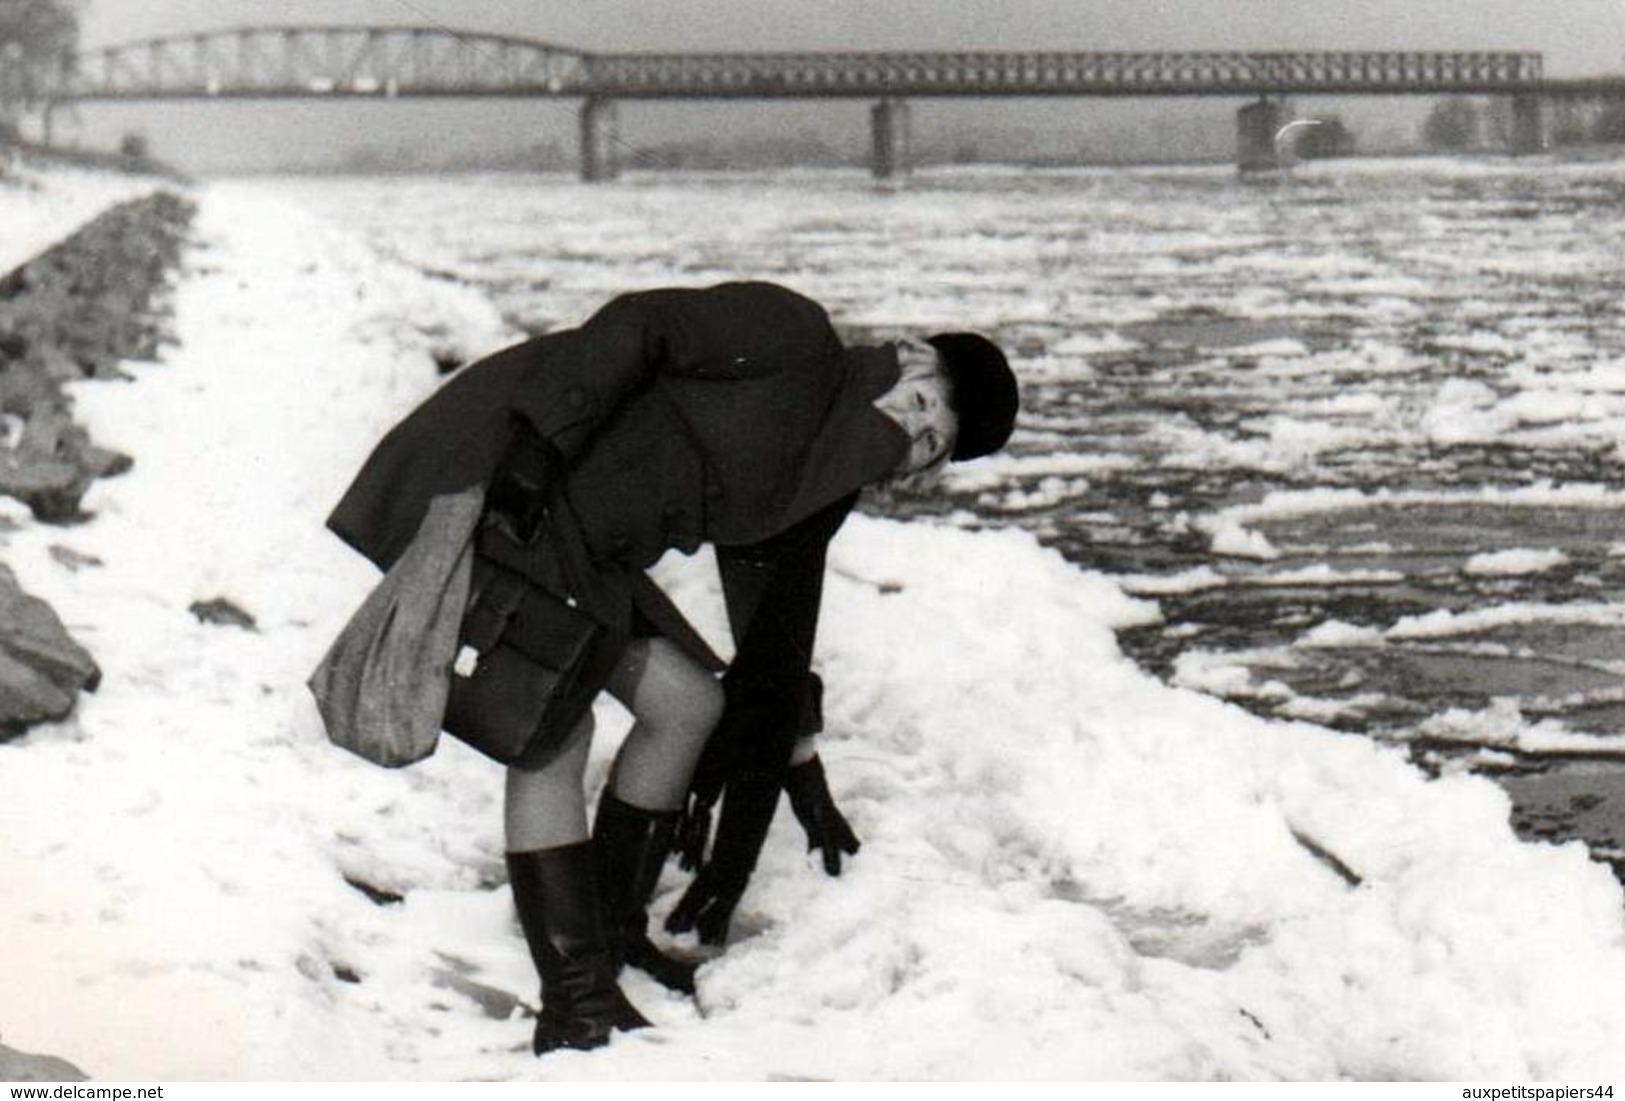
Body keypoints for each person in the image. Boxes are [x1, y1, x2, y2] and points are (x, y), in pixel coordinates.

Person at [324, 281, 1018, 1056]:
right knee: (554, 725)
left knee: (686, 702)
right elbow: (638, 324)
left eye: (927, 444)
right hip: (505, 473)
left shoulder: (827, 479)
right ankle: (577, 1004)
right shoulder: (792, 334)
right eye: (922, 405)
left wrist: (797, 749)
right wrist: (540, 445)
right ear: (911, 355)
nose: (908, 430)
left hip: (585, 547)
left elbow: (774, 632)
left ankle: (613, 934)